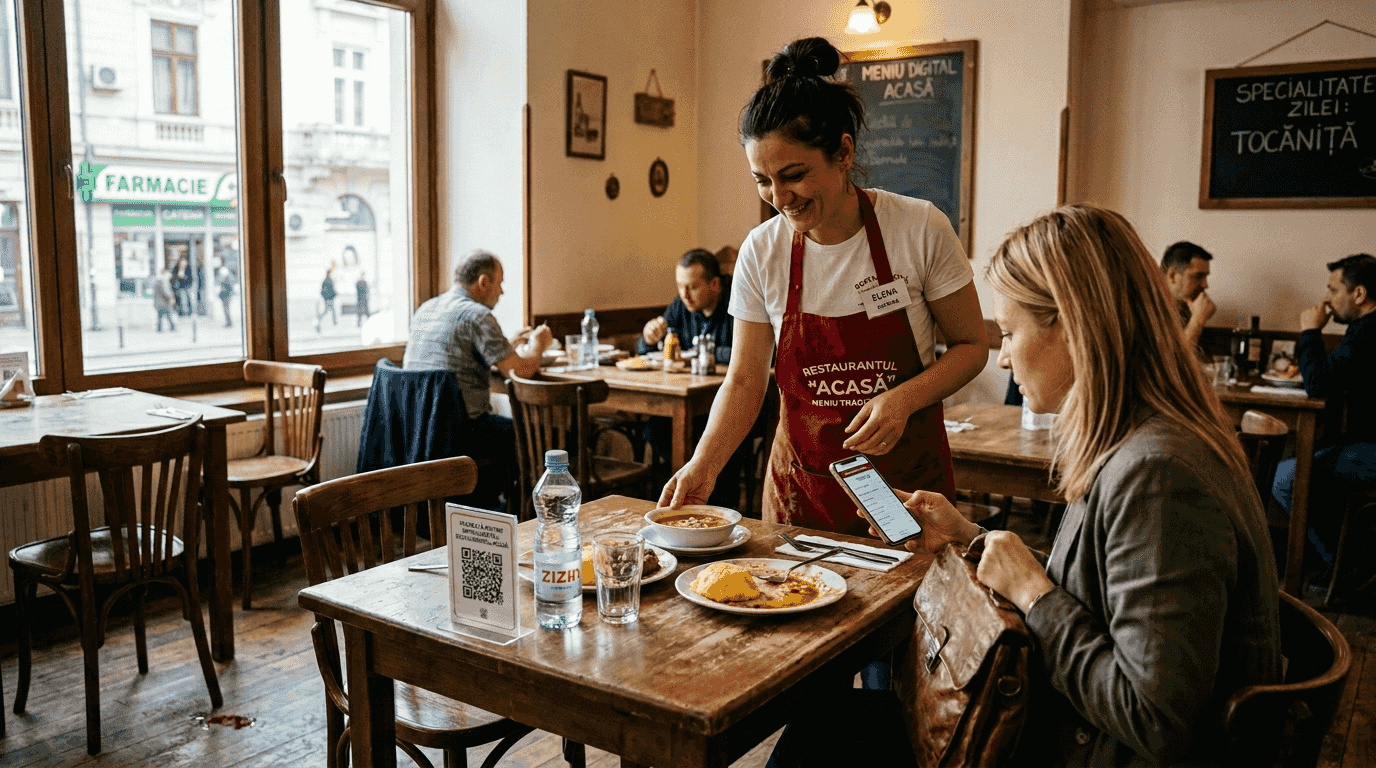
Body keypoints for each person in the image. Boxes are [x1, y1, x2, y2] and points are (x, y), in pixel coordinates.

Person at [805, 204, 1281, 768]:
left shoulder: (1158, 474)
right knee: (825, 730)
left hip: (1082, 746)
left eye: (1008, 333)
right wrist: (972, 538)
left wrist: (1034, 596)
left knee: (821, 741)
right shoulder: (1139, 442)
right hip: (1069, 726)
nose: (1002, 358)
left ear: (1072, 326)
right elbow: (1100, 594)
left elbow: (1157, 720)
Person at [659, 37, 988, 538]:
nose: (778, 198)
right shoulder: (762, 252)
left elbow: (971, 345)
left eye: (793, 175)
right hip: (801, 492)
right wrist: (704, 465)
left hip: (905, 489)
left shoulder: (918, 228)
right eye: (762, 181)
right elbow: (746, 380)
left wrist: (902, 399)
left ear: (844, 153)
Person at [403, 250, 552, 510]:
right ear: (484, 282)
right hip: (459, 432)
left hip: (417, 427)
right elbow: (521, 372)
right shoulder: (478, 315)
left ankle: (498, 505)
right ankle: (523, 512)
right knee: (534, 434)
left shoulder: (426, 308)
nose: (502, 291)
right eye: (500, 283)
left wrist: (508, 345)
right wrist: (538, 345)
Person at [1271, 253, 1376, 573]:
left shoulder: (1366, 332)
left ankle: (1347, 568)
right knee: (1315, 463)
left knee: (1285, 477)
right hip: (1364, 444)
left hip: (1371, 450)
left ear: (1358, 294)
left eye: (1333, 290)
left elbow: (1317, 384)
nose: (1327, 300)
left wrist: (1310, 331)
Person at [637, 248, 746, 507]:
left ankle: (717, 505)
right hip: (690, 402)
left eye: (693, 287)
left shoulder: (738, 300)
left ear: (715, 284)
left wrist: (696, 353)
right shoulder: (681, 305)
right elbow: (651, 348)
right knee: (655, 428)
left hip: (735, 401)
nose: (685, 295)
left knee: (720, 436)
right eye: (681, 287)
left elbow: (748, 354)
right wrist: (647, 338)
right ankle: (688, 496)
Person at [1160, 240, 1216, 351]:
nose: (1205, 285)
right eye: (1198, 276)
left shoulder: (1185, 307)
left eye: (1206, 277)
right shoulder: (1146, 307)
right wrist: (1198, 321)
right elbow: (1174, 362)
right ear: (1172, 276)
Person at [154, 268, 177, 332]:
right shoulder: (162, 282)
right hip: (163, 302)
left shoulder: (158, 281)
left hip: (159, 302)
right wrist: (171, 298)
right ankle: (172, 327)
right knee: (168, 315)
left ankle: (159, 329)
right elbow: (165, 292)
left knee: (161, 316)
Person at [317, 266, 338, 330]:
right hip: (329, 298)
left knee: (328, 310)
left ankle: (320, 317)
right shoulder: (329, 280)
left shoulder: (325, 280)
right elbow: (331, 290)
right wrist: (335, 294)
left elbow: (323, 290)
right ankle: (334, 322)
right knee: (330, 310)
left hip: (327, 298)